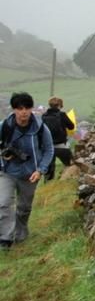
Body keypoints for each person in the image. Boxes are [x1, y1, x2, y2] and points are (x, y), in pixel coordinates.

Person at [0, 93, 54, 249]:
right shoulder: (5, 126)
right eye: (19, 108)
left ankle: (20, 234)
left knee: (24, 208)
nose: (23, 112)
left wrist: (40, 170)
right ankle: (5, 239)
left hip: (30, 174)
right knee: (3, 204)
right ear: (14, 109)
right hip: (7, 171)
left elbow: (48, 150)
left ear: (31, 109)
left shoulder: (40, 128)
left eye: (27, 108)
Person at [41, 96, 75, 181]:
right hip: (62, 146)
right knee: (70, 165)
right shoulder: (62, 115)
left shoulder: (43, 116)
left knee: (48, 172)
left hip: (48, 147)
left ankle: (48, 187)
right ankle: (67, 181)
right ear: (59, 105)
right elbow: (71, 126)